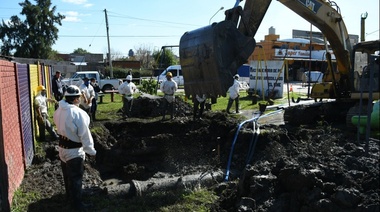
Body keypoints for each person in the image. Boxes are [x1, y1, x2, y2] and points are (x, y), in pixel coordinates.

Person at [53, 85, 96, 211]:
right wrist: (90, 150)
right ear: (76, 99)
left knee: (67, 176)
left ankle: (69, 197)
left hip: (62, 148)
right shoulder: (77, 113)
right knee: (76, 178)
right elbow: (85, 134)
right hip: (74, 151)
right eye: (79, 97)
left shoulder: (59, 110)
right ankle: (77, 205)